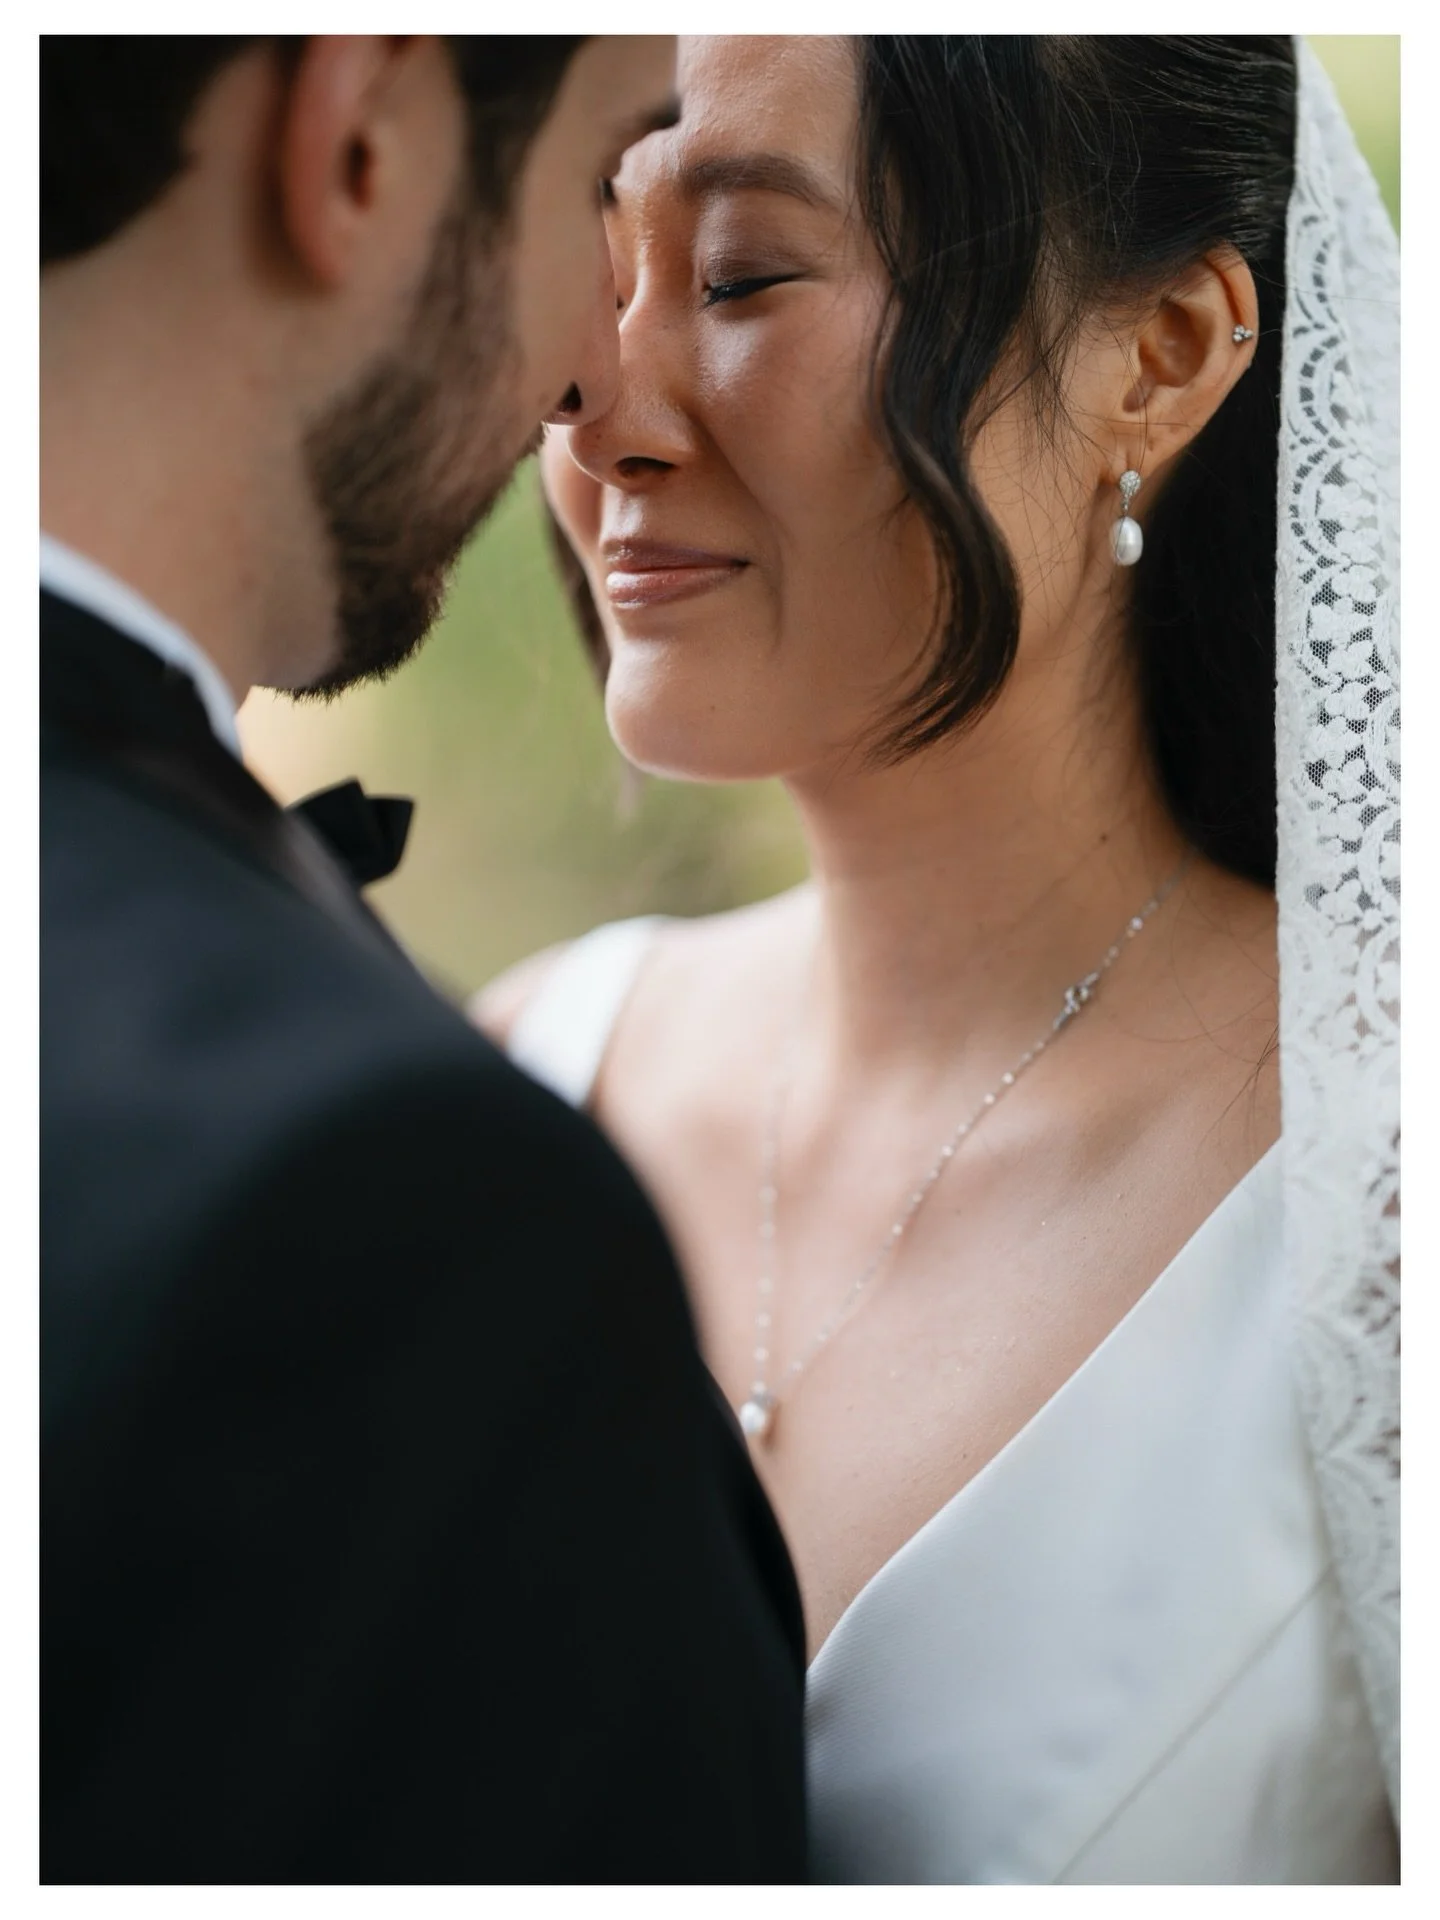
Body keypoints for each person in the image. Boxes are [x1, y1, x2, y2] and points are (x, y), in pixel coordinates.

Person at [479, 34, 1400, 1884]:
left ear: (1162, 356)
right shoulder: (526, 1082)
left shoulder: (1380, 1191)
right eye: (589, 262)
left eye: (741, 275)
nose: (591, 399)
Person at [40, 35, 808, 1885]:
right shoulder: (382, 1210)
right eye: (594, 185)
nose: (590, 385)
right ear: (359, 133)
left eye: (735, 275)